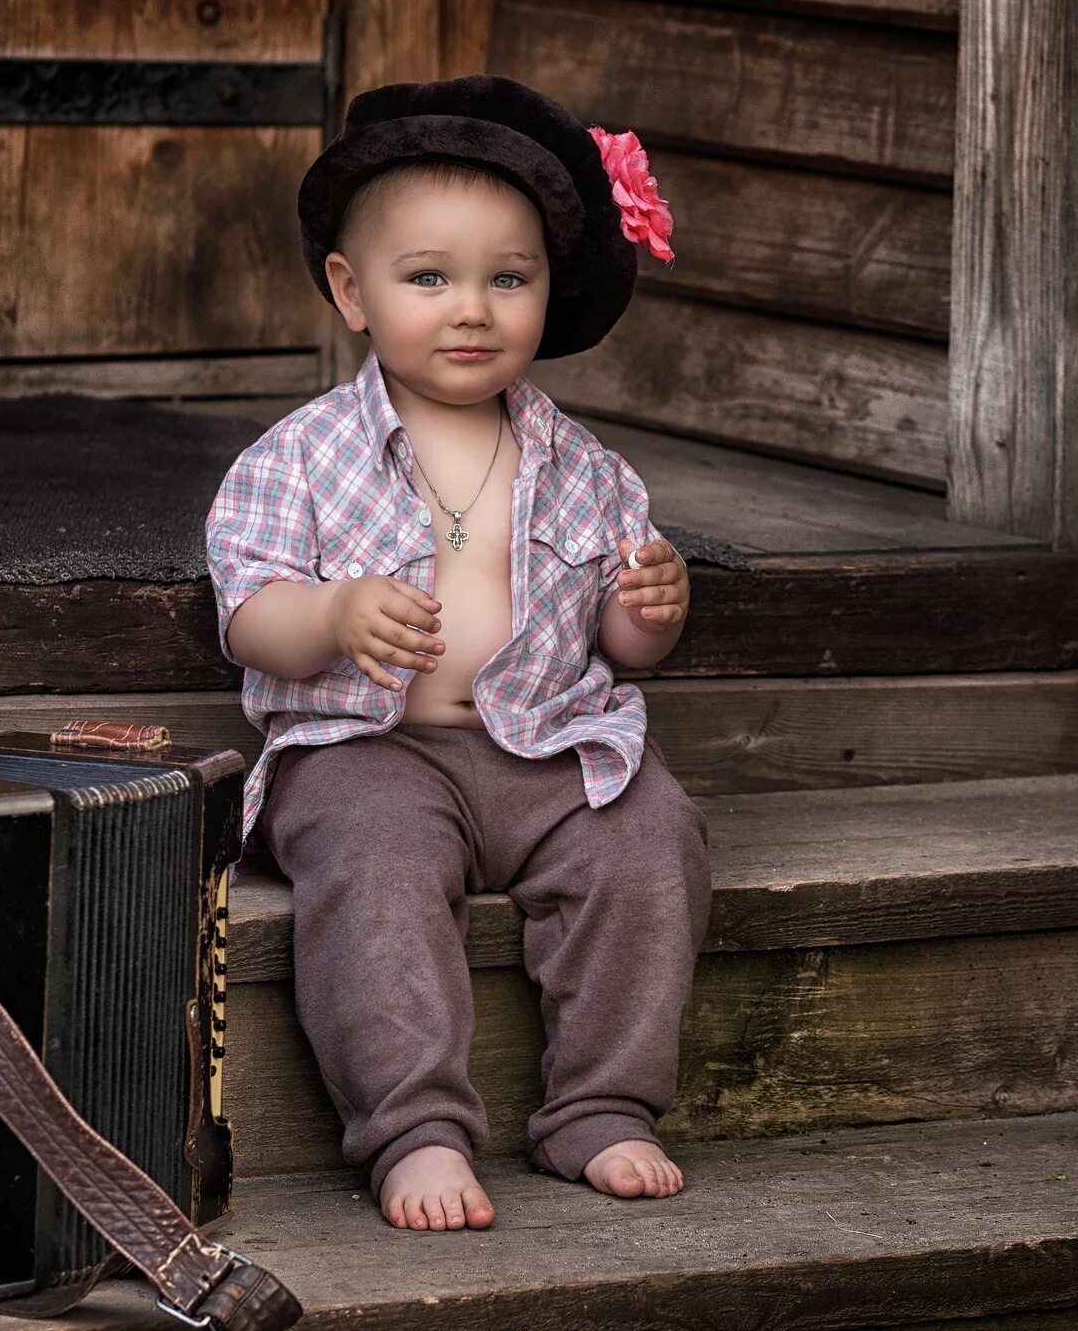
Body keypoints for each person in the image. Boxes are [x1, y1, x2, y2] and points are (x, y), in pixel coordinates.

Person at [202, 74, 708, 1234]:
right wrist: (329, 618)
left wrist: (652, 606)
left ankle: (602, 1106)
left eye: (507, 279)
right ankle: (413, 1127)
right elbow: (246, 614)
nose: (470, 308)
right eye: (427, 278)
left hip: (543, 744)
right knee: (374, 870)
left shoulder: (579, 464)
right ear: (352, 291)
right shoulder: (299, 456)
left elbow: (621, 647)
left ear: (544, 293)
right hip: (367, 751)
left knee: (648, 838)